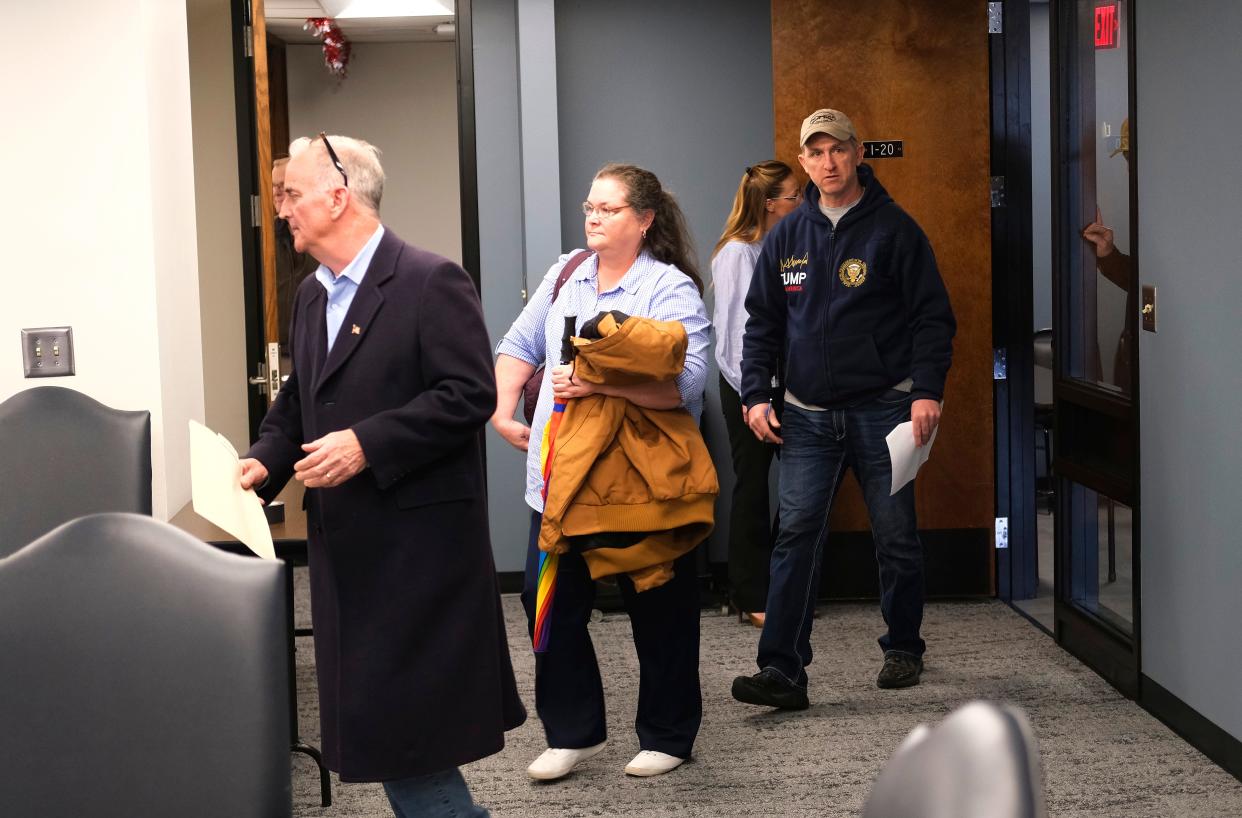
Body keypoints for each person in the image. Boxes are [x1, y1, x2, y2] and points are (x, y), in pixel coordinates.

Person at [239, 134, 524, 816]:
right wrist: (265, 460)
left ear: (339, 197)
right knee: (400, 739)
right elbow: (298, 400)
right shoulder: (312, 295)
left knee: (408, 741)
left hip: (417, 559)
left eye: (293, 194)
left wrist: (367, 443)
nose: (283, 211)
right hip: (350, 555)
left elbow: (469, 393)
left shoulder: (429, 281)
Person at [731, 108, 956, 709]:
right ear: (804, 162)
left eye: (838, 150)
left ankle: (904, 644)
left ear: (858, 155)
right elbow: (763, 324)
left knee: (895, 535)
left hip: (884, 409)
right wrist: (756, 392)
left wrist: (927, 391)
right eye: (816, 152)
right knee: (796, 534)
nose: (828, 162)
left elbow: (932, 318)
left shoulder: (894, 230)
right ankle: (782, 671)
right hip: (804, 413)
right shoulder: (786, 235)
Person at [493, 163, 711, 780]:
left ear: (643, 221)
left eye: (609, 209)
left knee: (659, 611)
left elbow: (687, 387)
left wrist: (594, 382)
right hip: (557, 482)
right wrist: (503, 407)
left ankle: (668, 735)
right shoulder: (567, 276)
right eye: (591, 206)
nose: (593, 216)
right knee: (552, 614)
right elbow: (519, 344)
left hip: (636, 488)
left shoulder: (668, 289)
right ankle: (572, 733)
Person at [711, 160, 801, 628]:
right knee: (753, 489)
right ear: (770, 205)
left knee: (803, 488)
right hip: (747, 386)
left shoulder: (780, 247)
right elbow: (737, 335)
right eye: (793, 197)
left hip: (783, 385)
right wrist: (757, 396)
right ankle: (750, 595)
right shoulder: (737, 254)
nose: (800, 204)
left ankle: (785, 587)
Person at [272, 152, 321, 353]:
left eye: (283, 186)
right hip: (277, 352)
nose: (276, 192)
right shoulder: (264, 240)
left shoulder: (320, 236)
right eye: (274, 186)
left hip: (316, 349)